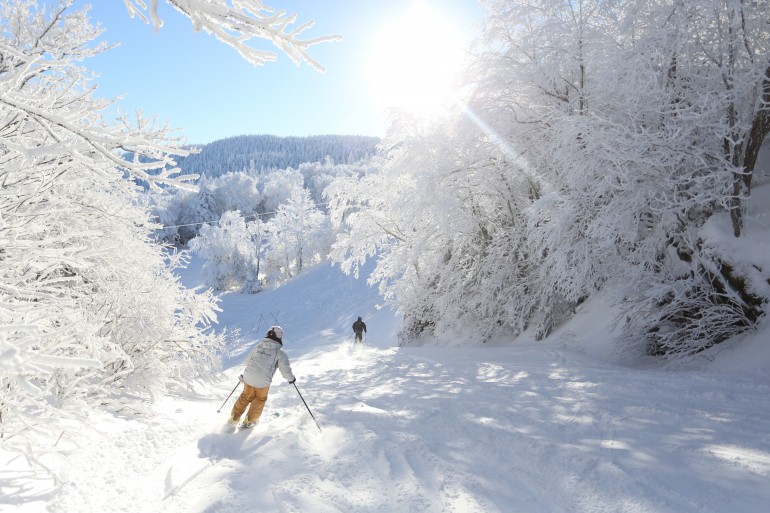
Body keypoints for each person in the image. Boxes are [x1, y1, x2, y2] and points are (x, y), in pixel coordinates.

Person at [228, 325, 295, 429]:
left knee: (245, 396)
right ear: (280, 337)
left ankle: (234, 418)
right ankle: (250, 421)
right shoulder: (280, 352)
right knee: (260, 399)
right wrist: (291, 379)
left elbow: (247, 361)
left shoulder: (259, 346)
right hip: (263, 382)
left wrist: (245, 375)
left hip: (248, 377)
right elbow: (285, 370)